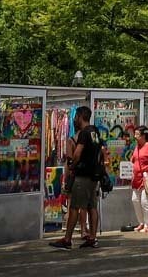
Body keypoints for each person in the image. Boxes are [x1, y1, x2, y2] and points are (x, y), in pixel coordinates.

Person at [50, 105, 104, 249]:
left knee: (74, 207)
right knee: (92, 206)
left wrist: (72, 165)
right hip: (94, 176)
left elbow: (78, 153)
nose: (75, 119)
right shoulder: (95, 131)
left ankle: (67, 240)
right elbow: (100, 152)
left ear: (80, 117)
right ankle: (92, 238)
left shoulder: (84, 133)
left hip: (83, 176)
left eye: (76, 117)